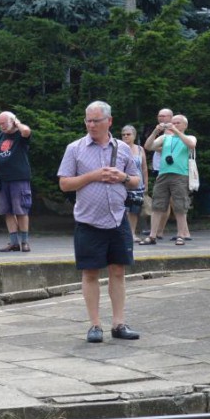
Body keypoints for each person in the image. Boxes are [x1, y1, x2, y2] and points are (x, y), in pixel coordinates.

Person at [57, 101, 141, 343]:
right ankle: (95, 325)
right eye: (88, 121)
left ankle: (119, 323)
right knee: (90, 273)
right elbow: (64, 183)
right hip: (88, 221)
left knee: (118, 271)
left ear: (109, 121)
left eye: (96, 120)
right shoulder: (75, 148)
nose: (91, 125)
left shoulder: (124, 148)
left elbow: (136, 181)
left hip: (118, 220)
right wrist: (93, 176)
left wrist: (123, 177)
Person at [141, 114, 197, 246]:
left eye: (178, 123)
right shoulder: (165, 137)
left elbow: (191, 145)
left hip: (180, 175)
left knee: (180, 206)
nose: (174, 125)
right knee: (157, 205)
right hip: (163, 174)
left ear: (185, 125)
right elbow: (148, 146)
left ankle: (181, 235)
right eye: (173, 123)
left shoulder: (189, 137)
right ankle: (152, 236)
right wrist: (155, 131)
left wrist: (176, 131)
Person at [0, 111, 33, 252]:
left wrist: (17, 123)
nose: (1, 126)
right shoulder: (0, 137)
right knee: (7, 211)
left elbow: (26, 131)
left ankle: (25, 242)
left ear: (12, 121)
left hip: (19, 178)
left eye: (3, 123)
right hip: (4, 179)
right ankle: (14, 242)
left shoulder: (20, 134)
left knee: (21, 210)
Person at [142, 108, 175, 238]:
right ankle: (157, 231)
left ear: (171, 117)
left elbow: (172, 149)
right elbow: (148, 146)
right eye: (159, 116)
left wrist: (157, 146)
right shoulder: (159, 132)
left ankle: (163, 231)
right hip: (158, 169)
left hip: (171, 170)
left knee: (172, 202)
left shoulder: (174, 131)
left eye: (164, 116)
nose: (161, 118)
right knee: (162, 202)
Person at [120, 124, 148, 240]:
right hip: (124, 184)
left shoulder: (140, 149)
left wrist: (146, 184)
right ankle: (123, 234)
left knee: (134, 210)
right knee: (124, 210)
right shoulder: (119, 148)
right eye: (123, 135)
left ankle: (132, 233)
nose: (126, 136)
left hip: (138, 184)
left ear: (134, 136)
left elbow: (144, 168)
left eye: (128, 134)